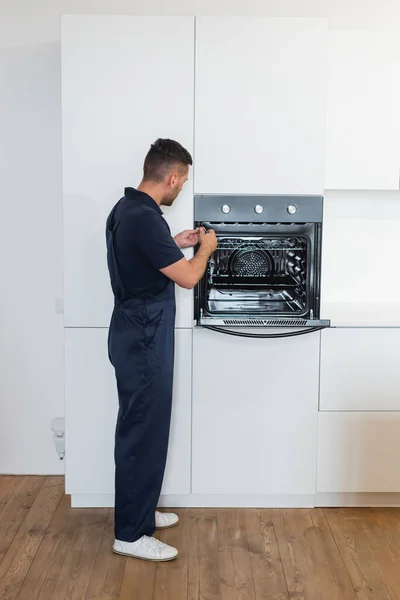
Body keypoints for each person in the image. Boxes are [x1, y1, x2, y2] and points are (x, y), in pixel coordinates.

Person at [105, 138, 218, 562]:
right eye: (183, 181)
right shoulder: (144, 219)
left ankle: (141, 512)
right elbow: (188, 278)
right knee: (142, 431)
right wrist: (203, 250)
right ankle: (131, 534)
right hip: (145, 336)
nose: (182, 188)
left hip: (133, 331)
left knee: (144, 426)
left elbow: (141, 256)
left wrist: (175, 240)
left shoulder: (128, 209)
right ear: (171, 177)